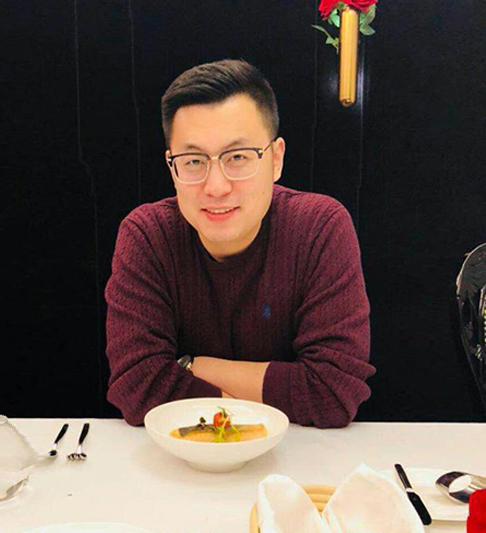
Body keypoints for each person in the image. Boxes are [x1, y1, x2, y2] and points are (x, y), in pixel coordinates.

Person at [104, 59, 374, 428]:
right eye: (193, 161)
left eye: (238, 157)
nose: (216, 186)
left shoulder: (319, 227)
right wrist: (266, 401)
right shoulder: (147, 236)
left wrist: (192, 366)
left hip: (297, 455)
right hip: (181, 455)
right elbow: (137, 387)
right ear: (172, 167)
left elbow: (333, 392)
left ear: (275, 159)